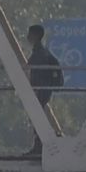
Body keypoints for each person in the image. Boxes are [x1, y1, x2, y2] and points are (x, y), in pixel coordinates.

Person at [24, 24, 64, 156]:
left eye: (30, 34)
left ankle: (41, 145)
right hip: (43, 89)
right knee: (38, 116)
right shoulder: (41, 52)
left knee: (37, 117)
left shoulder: (40, 53)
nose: (27, 37)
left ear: (35, 36)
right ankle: (40, 144)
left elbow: (35, 69)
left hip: (41, 89)